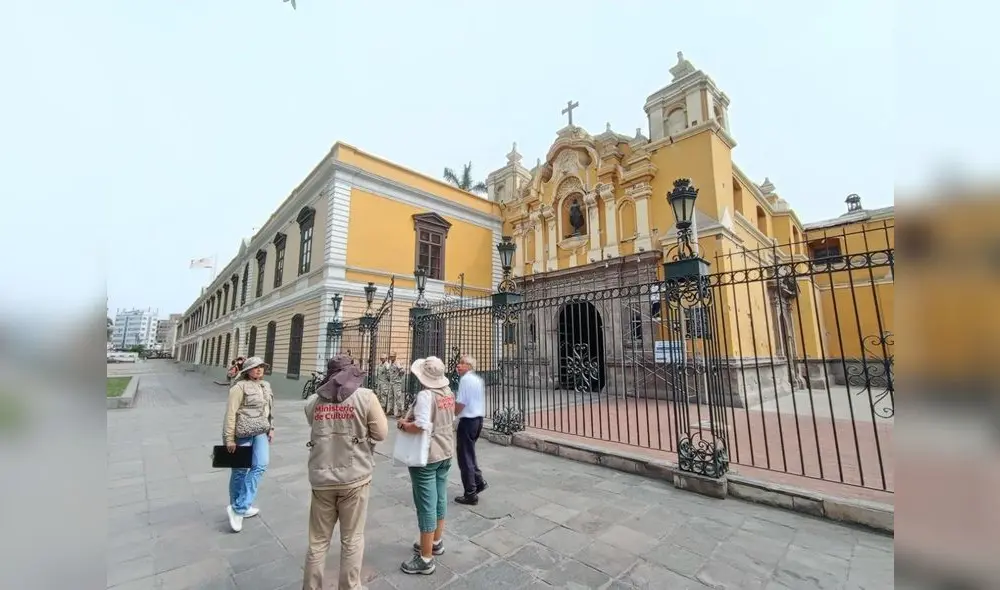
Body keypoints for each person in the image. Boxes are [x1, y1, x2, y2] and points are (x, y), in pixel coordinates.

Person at [302, 354, 388, 590]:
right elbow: (381, 433)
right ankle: (350, 587)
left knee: (318, 541)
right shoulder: (366, 398)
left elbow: (314, 424)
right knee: (352, 539)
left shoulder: (314, 401)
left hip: (321, 477)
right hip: (355, 476)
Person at [397, 357, 455, 576]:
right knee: (440, 498)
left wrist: (404, 424)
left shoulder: (425, 395)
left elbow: (421, 426)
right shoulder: (448, 393)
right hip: (446, 451)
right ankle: (436, 541)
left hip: (427, 456)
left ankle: (425, 558)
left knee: (425, 505)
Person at [222, 356, 273, 533]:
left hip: (260, 430)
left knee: (261, 465)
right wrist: (229, 439)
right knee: (240, 470)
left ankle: (239, 506)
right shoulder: (238, 387)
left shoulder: (265, 385)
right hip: (241, 432)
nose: (259, 370)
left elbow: (268, 409)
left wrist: (270, 427)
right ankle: (238, 507)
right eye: (255, 367)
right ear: (247, 370)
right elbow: (230, 414)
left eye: (261, 367)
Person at [453, 355, 488, 505]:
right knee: (470, 453)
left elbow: (461, 402)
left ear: (468, 366)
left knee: (464, 457)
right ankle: (478, 481)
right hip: (478, 420)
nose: (458, 366)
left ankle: (470, 493)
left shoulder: (466, 379)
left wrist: (453, 413)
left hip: (468, 421)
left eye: (461, 363)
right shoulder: (477, 379)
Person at [386, 352, 405, 417]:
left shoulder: (397, 363)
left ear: (395, 357)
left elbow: (402, 371)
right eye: (390, 356)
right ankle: (391, 410)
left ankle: (400, 411)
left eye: (392, 356)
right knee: (391, 397)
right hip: (391, 382)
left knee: (397, 397)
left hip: (396, 383)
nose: (391, 358)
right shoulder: (391, 364)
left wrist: (399, 376)